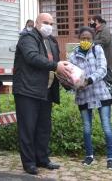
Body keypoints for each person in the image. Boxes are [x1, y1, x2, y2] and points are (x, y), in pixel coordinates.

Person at [13, 13, 72, 175]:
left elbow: (57, 65)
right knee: (28, 128)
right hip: (27, 91)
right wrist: (56, 66)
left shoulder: (52, 41)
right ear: (37, 23)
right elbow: (32, 57)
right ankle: (29, 163)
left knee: (43, 128)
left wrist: (69, 77)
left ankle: (43, 159)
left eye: (51, 23)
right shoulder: (27, 38)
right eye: (46, 22)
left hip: (46, 91)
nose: (49, 26)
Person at [68, 26, 112, 170]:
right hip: (83, 96)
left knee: (106, 127)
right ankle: (89, 156)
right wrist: (75, 84)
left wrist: (88, 80)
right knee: (87, 128)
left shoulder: (98, 50)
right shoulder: (73, 56)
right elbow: (71, 75)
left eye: (88, 38)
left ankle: (111, 157)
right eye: (83, 38)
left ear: (93, 39)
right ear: (79, 39)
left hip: (101, 93)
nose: (85, 41)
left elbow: (102, 69)